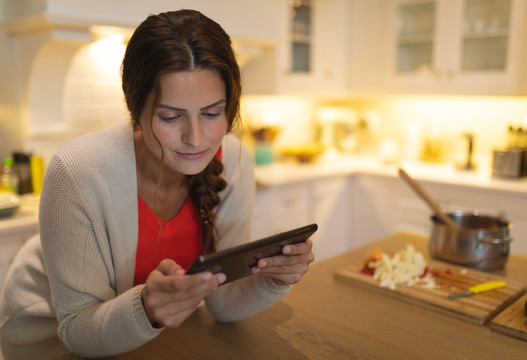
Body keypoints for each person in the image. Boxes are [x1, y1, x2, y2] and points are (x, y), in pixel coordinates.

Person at [0, 9, 314, 359]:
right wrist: (146, 309)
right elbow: (77, 329)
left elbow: (223, 304)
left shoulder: (235, 161)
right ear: (136, 110)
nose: (195, 139)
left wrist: (273, 277)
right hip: (50, 340)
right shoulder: (75, 172)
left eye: (212, 113)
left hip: (148, 340)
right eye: (170, 116)